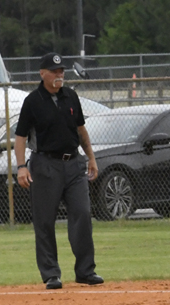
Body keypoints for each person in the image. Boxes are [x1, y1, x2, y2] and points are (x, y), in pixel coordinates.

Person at [14, 52, 104, 290]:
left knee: (83, 213)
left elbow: (81, 130)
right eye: (54, 71)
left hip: (73, 163)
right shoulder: (32, 101)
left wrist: (91, 157)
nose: (59, 75)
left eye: (61, 71)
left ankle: (85, 271)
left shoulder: (71, 96)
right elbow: (20, 136)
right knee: (45, 220)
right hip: (45, 164)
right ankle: (51, 273)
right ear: (42, 74)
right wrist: (21, 167)